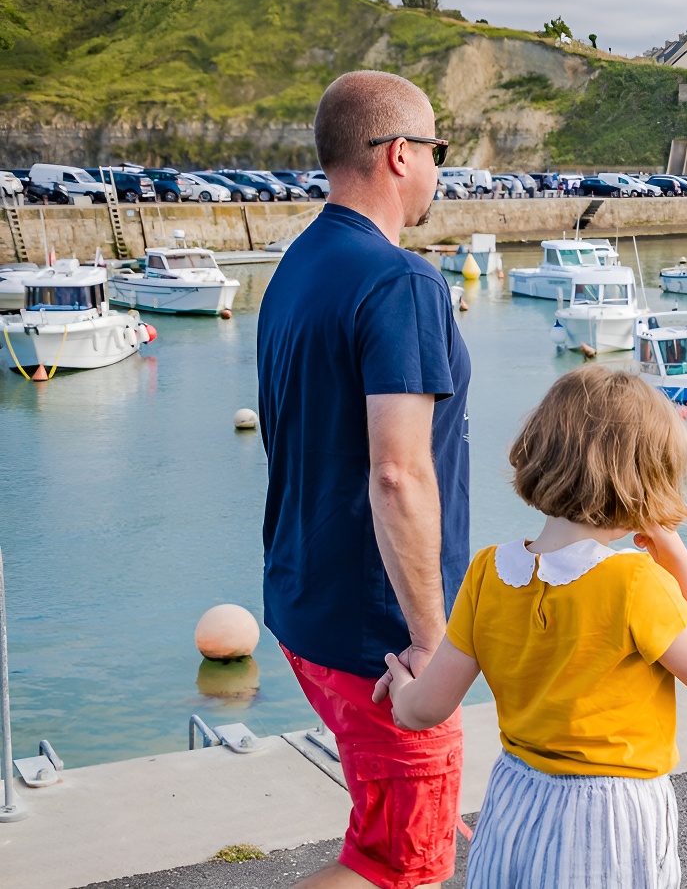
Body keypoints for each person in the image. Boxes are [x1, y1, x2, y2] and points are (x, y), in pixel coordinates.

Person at [382, 366, 687, 888]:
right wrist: (677, 555)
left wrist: (402, 687)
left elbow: (426, 709)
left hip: (515, 801)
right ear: (648, 484)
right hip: (609, 818)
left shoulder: (488, 571)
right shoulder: (634, 582)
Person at [256, 70, 470, 889]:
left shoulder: (301, 264)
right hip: (379, 637)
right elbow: (397, 473)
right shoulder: (400, 281)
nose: (440, 172)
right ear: (400, 155)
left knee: (390, 841)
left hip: (305, 604)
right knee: (401, 867)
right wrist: (429, 639)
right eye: (438, 151)